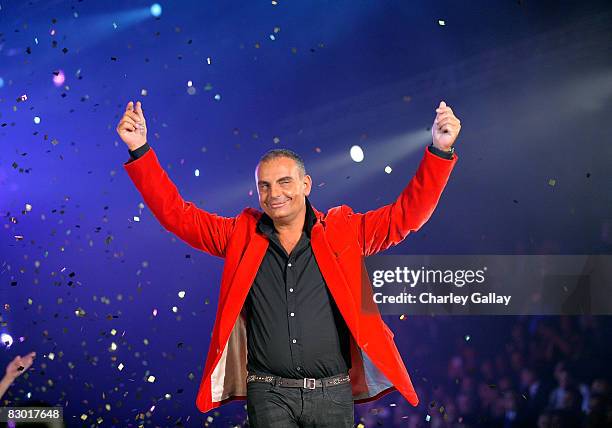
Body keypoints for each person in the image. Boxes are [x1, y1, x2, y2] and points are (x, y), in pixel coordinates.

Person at [116, 99, 460, 427]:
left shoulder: (343, 231)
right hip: (268, 393)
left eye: (284, 182)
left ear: (306, 184)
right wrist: (140, 150)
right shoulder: (240, 234)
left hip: (333, 393)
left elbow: (406, 216)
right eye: (264, 186)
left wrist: (439, 151)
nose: (274, 193)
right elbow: (177, 215)